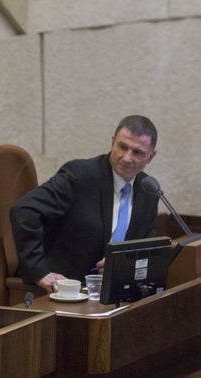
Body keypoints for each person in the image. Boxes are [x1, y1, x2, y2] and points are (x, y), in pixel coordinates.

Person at [10, 115, 160, 292]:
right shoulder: (80, 175)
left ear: (150, 156)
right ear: (113, 142)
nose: (127, 158)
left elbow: (146, 249)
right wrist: (39, 271)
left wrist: (123, 266)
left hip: (112, 292)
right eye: (122, 147)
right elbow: (24, 210)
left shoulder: (148, 190)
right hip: (62, 289)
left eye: (137, 152)